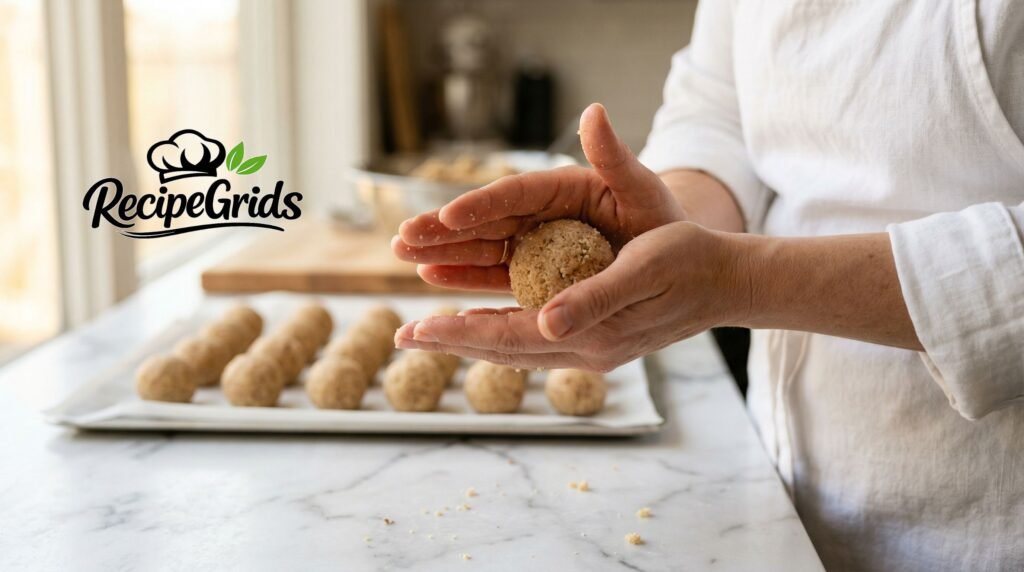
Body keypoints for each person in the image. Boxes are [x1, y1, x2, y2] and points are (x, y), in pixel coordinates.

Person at [391, 2, 1024, 570]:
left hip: (981, 515)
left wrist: (739, 281)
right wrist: (670, 221)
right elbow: (720, 108)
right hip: (775, 488)